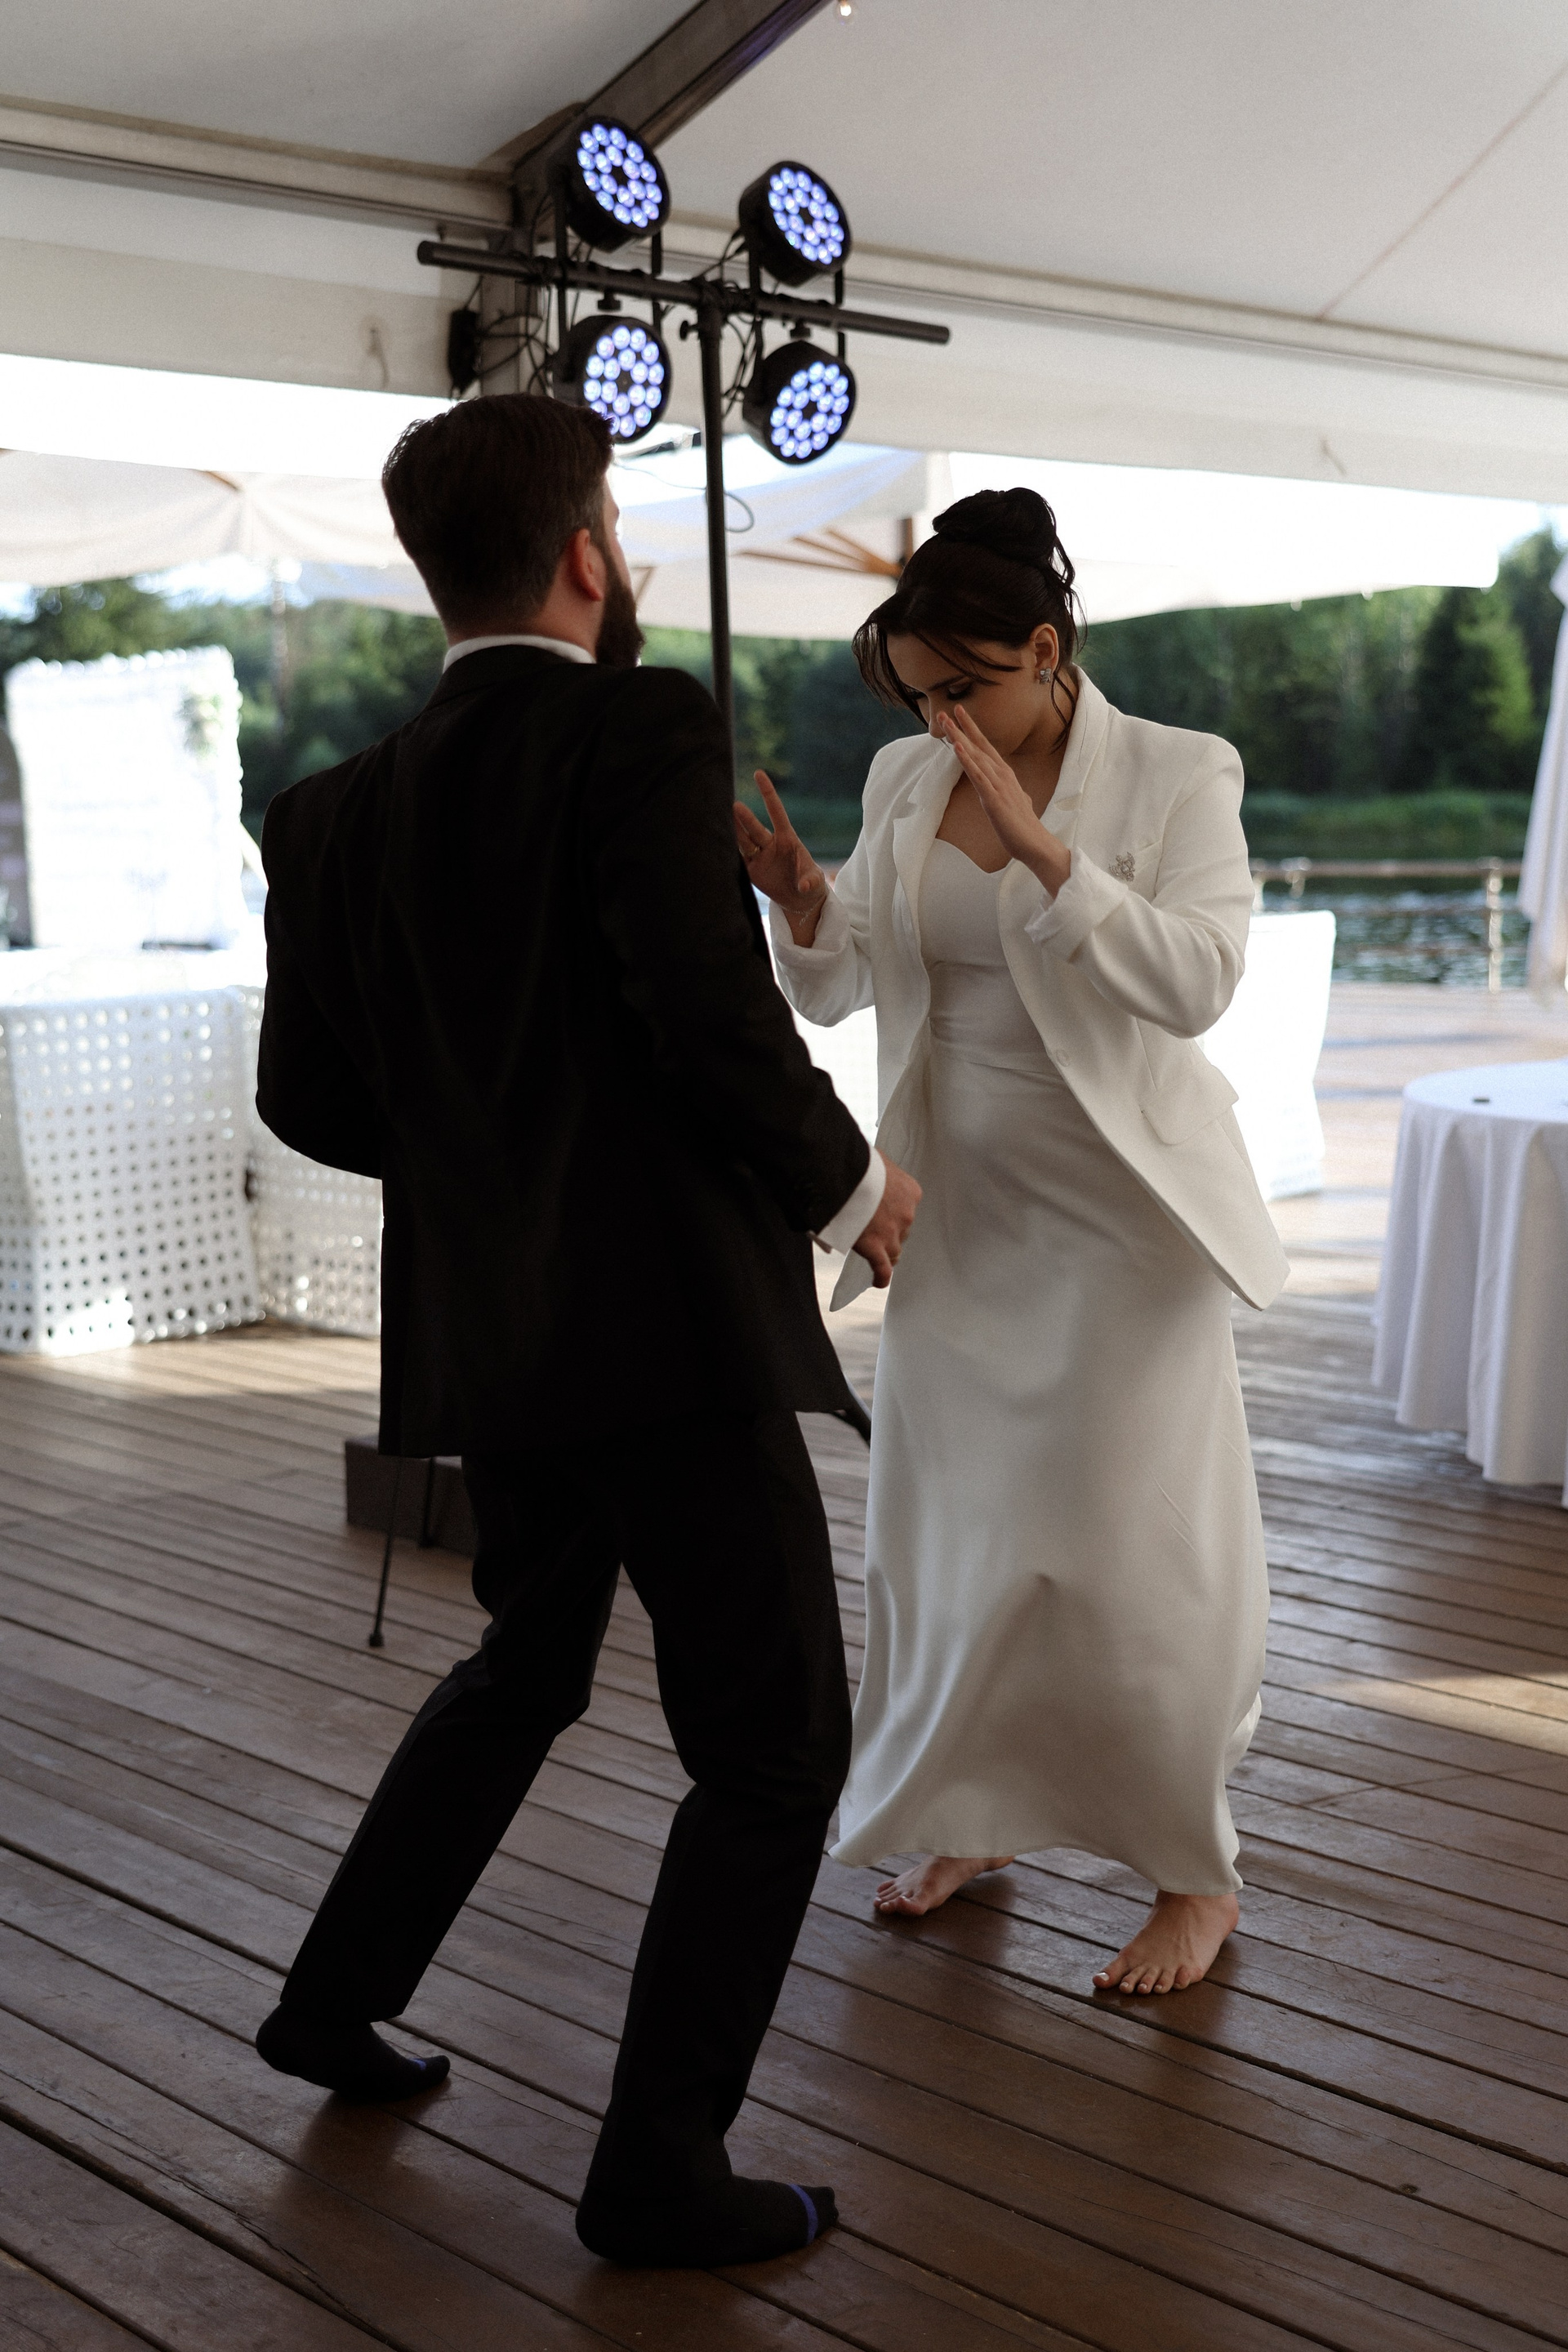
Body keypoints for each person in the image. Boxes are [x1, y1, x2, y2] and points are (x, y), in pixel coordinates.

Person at [250, 392, 920, 2267]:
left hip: (494, 1333)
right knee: (774, 1748)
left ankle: (329, 2000)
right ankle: (656, 2169)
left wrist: (491, 1170)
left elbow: (307, 1097)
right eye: (615, 525)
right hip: (669, 1332)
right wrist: (857, 1190)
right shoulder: (641, 727)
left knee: (529, 1658)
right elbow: (707, 1016)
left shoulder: (331, 809)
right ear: (584, 555)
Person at [737, 488, 1288, 1998]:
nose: (940, 719)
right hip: (959, 1206)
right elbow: (850, 982)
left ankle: (1193, 1871)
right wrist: (805, 906)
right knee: (957, 1537)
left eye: (963, 686)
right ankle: (966, 1818)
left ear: (1046, 648)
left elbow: (1200, 982)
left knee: (1135, 1553)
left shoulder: (1181, 771)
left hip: (1125, 1218)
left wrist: (1053, 859)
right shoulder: (906, 778)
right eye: (919, 695)